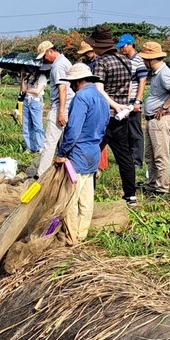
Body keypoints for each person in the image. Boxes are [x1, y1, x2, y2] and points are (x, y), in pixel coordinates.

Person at [54, 63, 110, 244]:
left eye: (71, 82)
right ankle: (82, 233)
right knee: (87, 197)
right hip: (93, 151)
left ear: (78, 82)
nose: (70, 86)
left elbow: (73, 129)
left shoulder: (81, 97)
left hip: (78, 153)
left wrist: (62, 153)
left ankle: (72, 236)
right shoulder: (101, 98)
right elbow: (105, 126)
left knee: (71, 198)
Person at [86, 25, 137, 207]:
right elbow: (130, 87)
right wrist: (123, 105)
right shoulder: (126, 61)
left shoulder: (102, 62)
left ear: (99, 46)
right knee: (124, 155)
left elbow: (99, 90)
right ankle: (130, 195)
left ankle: (87, 192)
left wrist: (114, 105)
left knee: (91, 153)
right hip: (122, 116)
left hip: (104, 117)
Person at [139, 42, 170, 195]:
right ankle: (152, 183)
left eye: (145, 59)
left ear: (151, 59)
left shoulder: (164, 73)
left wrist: (164, 107)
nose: (143, 62)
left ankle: (162, 188)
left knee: (160, 156)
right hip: (153, 120)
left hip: (160, 121)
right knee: (150, 156)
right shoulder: (158, 73)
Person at [36, 40, 74, 177]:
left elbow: (62, 89)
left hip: (60, 106)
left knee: (49, 143)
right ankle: (65, 173)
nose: (45, 60)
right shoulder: (65, 61)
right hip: (68, 106)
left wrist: (61, 112)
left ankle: (42, 176)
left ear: (49, 52)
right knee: (64, 143)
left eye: (44, 56)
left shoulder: (58, 66)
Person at [116, 34, 148, 169]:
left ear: (130, 44)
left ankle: (137, 161)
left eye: (123, 46)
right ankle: (127, 159)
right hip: (123, 101)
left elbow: (142, 81)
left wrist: (138, 101)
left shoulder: (139, 61)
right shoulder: (124, 60)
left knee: (135, 132)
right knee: (124, 132)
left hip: (133, 101)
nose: (121, 49)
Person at [20, 63, 49, 153]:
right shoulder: (28, 77)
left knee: (37, 124)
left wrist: (27, 90)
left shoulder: (42, 77)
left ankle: (40, 146)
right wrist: (23, 77)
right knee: (26, 124)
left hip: (35, 101)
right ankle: (30, 146)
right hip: (27, 100)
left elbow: (37, 91)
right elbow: (23, 90)